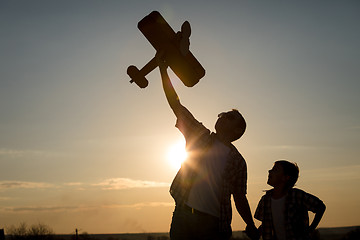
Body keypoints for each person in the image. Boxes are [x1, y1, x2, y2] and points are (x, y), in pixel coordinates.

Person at [157, 52, 259, 240]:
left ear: (237, 131)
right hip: (183, 216)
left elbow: (240, 197)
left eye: (228, 116)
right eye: (222, 114)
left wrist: (250, 224)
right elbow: (175, 104)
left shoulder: (238, 162)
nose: (221, 116)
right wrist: (163, 70)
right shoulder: (199, 135)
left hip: (213, 225)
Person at [254, 160, 326, 240]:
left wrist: (311, 228)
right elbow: (266, 223)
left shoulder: (297, 195)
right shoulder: (265, 199)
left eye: (275, 170)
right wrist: (256, 232)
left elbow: (320, 207)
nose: (269, 171)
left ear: (285, 177)